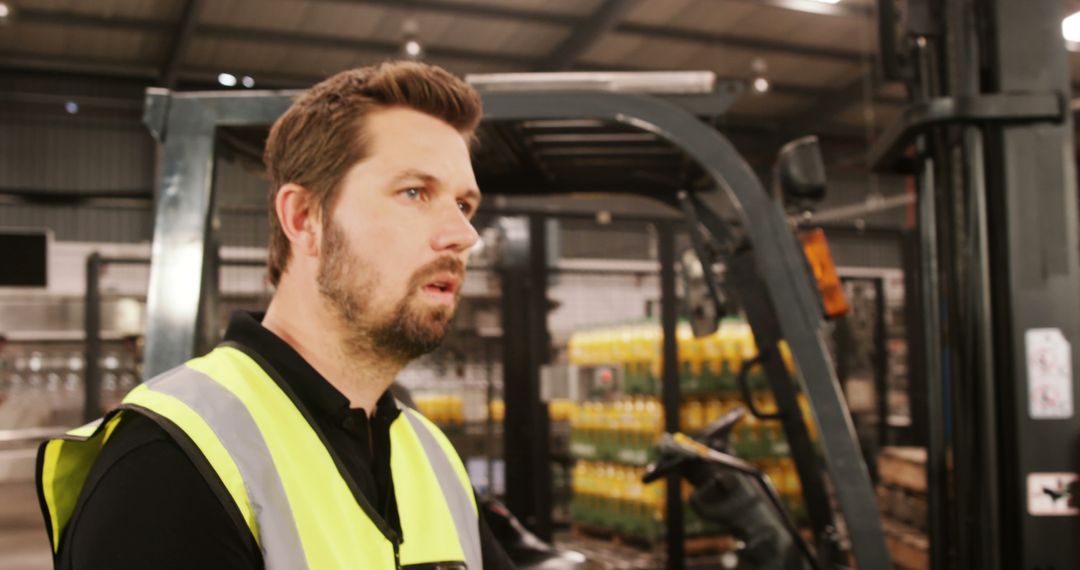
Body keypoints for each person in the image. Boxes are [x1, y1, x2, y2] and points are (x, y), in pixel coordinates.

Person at [37, 60, 515, 569]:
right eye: (415, 193)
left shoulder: (431, 456)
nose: (464, 236)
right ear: (304, 218)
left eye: (464, 206)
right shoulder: (169, 462)